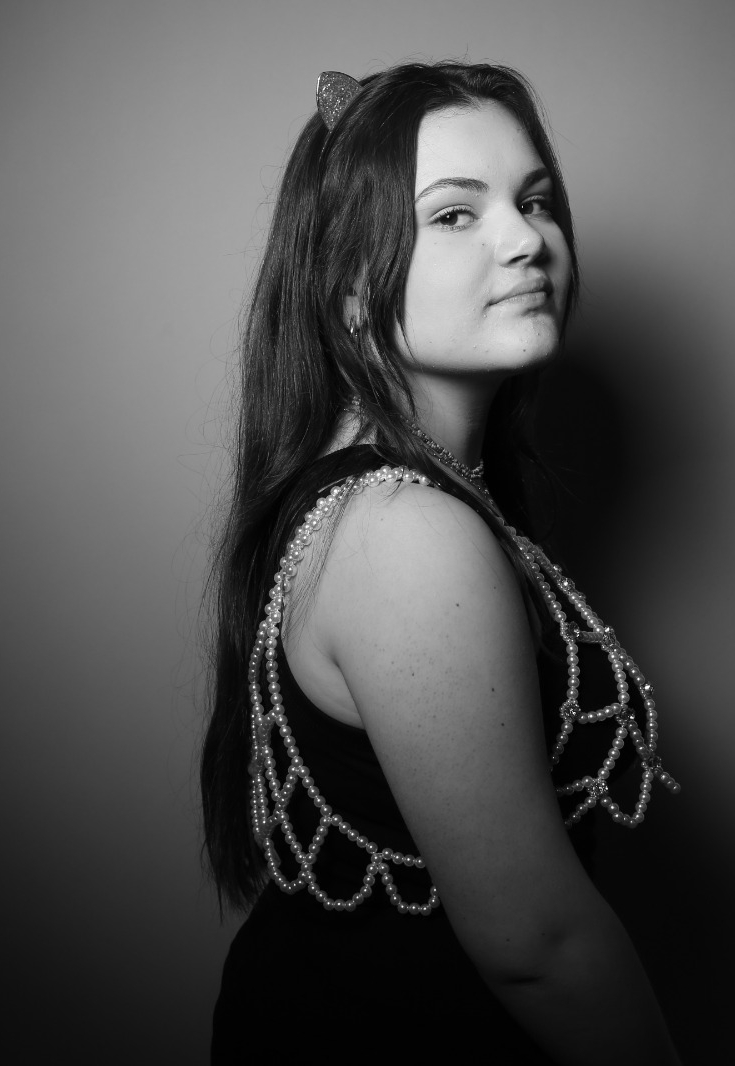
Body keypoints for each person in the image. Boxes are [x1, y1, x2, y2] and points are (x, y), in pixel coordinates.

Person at [203, 62, 681, 1065]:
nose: (527, 239)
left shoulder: (387, 499)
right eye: (455, 214)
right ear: (348, 286)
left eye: (535, 200)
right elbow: (538, 944)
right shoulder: (406, 531)